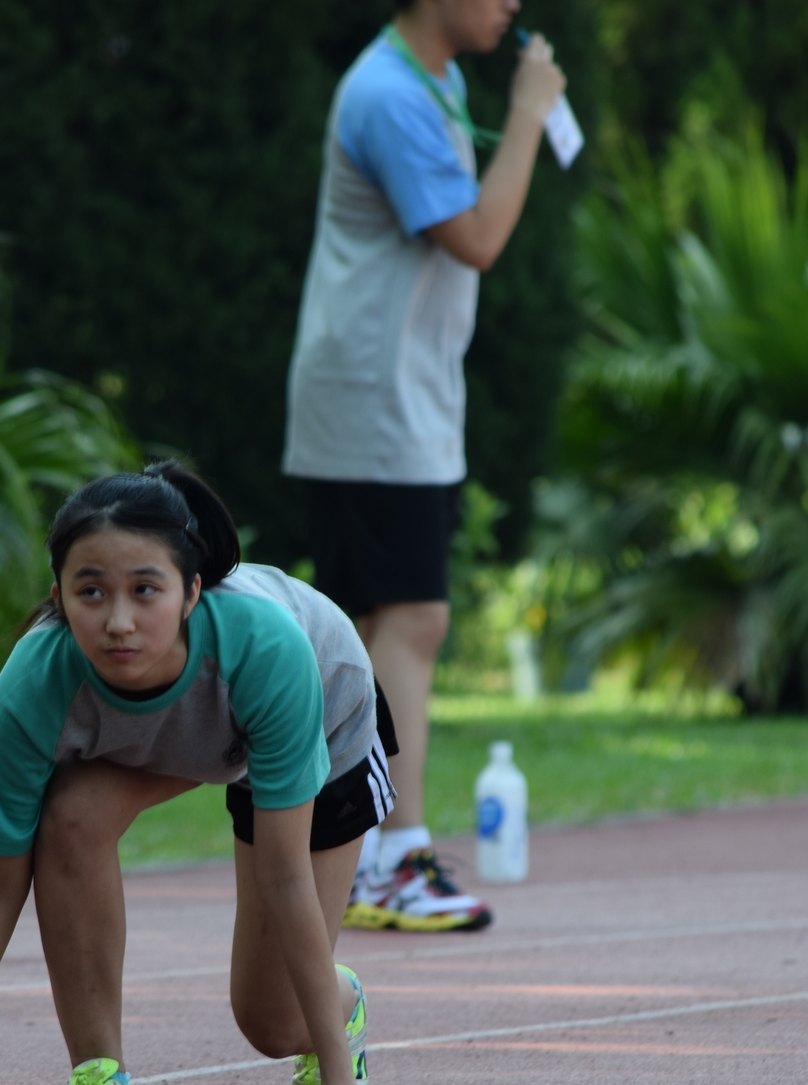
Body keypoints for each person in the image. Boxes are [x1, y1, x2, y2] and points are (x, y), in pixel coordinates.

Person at [0, 463, 443, 1085]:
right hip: (185, 733)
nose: (119, 622)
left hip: (323, 722)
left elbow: (284, 875)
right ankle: (99, 1078)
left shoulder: (271, 650)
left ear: (191, 591)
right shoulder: (35, 683)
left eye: (145, 590)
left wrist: (337, 1076)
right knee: (70, 815)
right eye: (91, 591)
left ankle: (343, 1006)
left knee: (273, 1022)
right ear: (59, 594)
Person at [282, 0, 567, 932]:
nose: (512, 3)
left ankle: (357, 857)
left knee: (380, 623)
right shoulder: (389, 95)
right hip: (374, 400)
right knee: (409, 618)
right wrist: (529, 112)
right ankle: (392, 854)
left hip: (403, 395)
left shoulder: (433, 80)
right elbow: (476, 237)